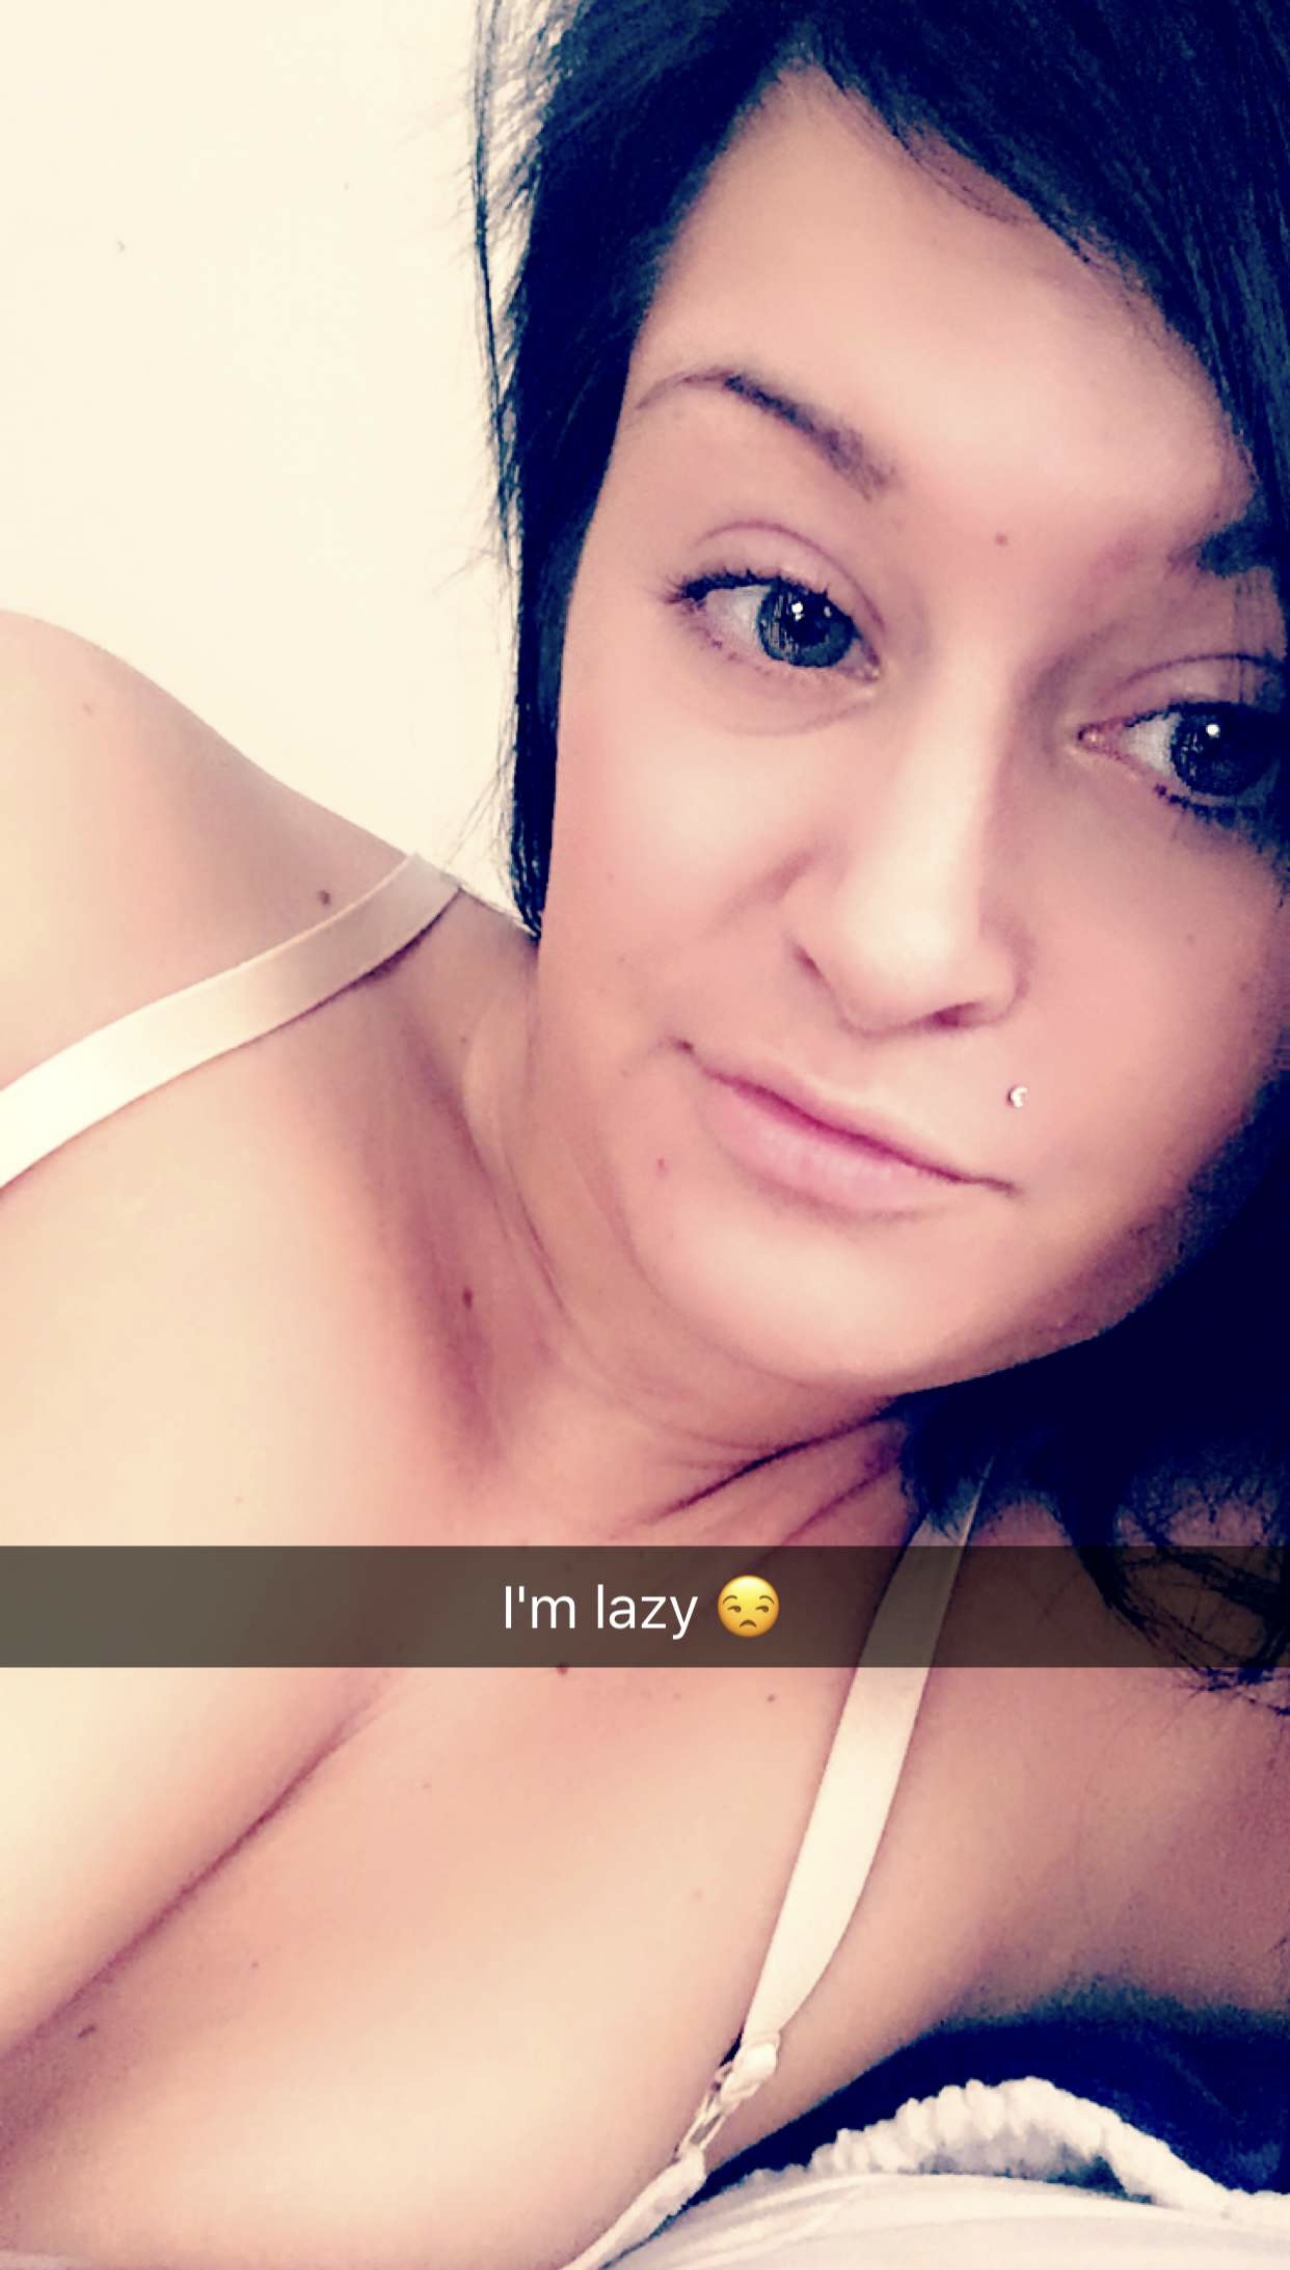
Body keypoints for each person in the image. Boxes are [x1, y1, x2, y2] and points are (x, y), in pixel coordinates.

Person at [0, 0, 1286, 2265]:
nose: (897, 932)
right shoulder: (55, 873)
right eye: (788, 614)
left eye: (1210, 747)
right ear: (576, 549)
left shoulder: (1147, 1684)